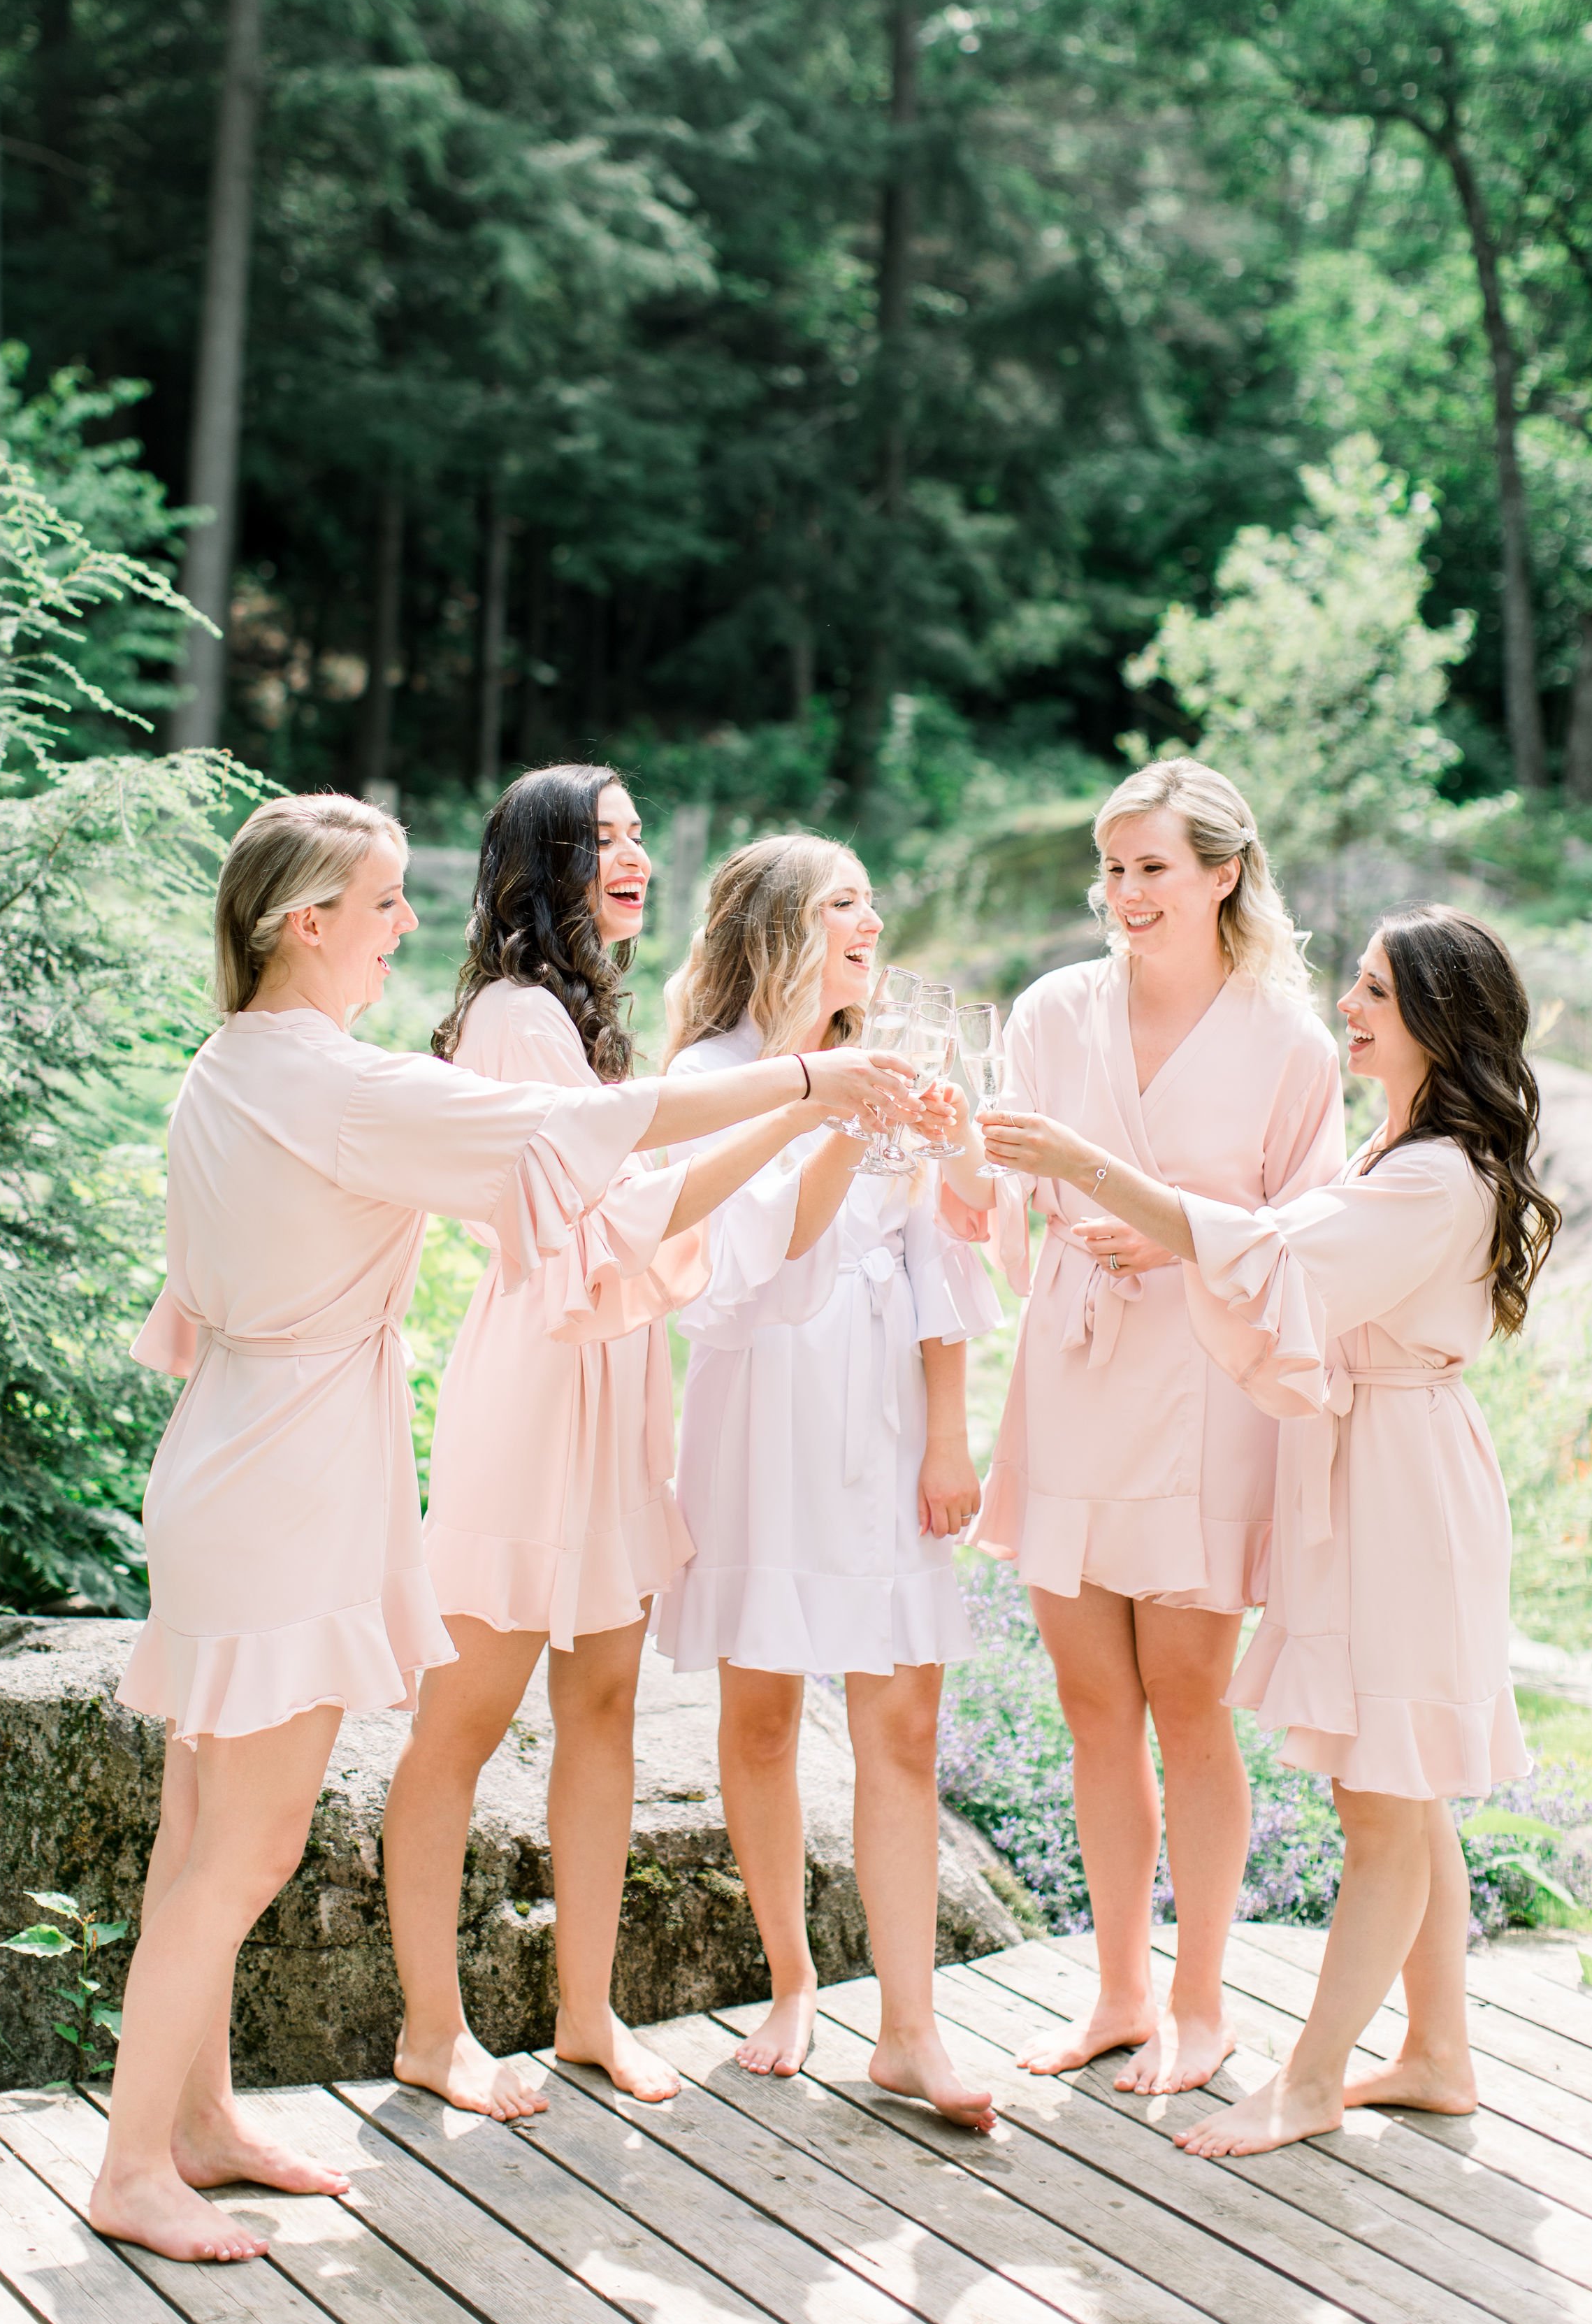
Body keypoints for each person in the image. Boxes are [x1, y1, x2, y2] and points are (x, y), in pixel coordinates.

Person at [90, 793, 912, 2267]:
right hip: (284, 1478)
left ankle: (195, 2119)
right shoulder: (329, 1079)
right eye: (386, 902)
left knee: (198, 1829)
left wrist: (800, 1095)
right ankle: (132, 2168)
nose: (409, 927)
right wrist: (803, 1082)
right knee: (248, 1842)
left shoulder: (236, 1068)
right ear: (307, 925)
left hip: (234, 1454)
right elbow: (586, 1131)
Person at [982, 902, 1558, 2158]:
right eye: (1354, 985)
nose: (1347, 1007)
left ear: (1436, 1023)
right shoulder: (1398, 1148)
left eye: (1373, 995)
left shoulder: (1431, 1174)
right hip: (1371, 1470)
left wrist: (1086, 1165)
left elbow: (1261, 1251)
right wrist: (1163, 1233)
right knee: (1405, 1793)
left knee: (1382, 1806)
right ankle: (1437, 2054)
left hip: (1401, 1488)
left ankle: (1307, 2080)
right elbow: (1269, 1251)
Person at [384, 767, 867, 2120]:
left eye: (644, 833)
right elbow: (615, 1218)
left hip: (610, 1384)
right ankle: (434, 2029)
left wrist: (808, 1111)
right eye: (606, 839)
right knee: (464, 1719)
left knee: (603, 1708)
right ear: (545, 860)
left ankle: (585, 2015)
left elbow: (645, 1208)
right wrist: (810, 1095)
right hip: (536, 1390)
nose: (635, 857)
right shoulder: (518, 1020)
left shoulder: (580, 1016)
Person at [943, 760, 1344, 2095]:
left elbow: (1312, 1235)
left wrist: (1181, 1244)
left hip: (1209, 1387)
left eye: (1152, 869)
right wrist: (981, 1177)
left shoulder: (1291, 1042)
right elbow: (1000, 1192)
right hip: (1074, 1374)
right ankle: (1116, 1992)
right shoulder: (1055, 1012)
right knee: (1088, 1701)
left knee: (1189, 1702)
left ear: (1224, 873)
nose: (1124, 896)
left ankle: (1203, 2002)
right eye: (1112, 870)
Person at [653, 835, 1003, 2129]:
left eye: (871, 895)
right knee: (760, 1716)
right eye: (843, 899)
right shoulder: (710, 1076)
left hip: (889, 1406)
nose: (871, 917)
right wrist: (847, 1126)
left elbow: (944, 1258)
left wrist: (951, 1432)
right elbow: (751, 1266)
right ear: (778, 927)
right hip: (764, 1404)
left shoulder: (901, 1055)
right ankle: (793, 1978)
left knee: (902, 1722)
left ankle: (911, 2031)